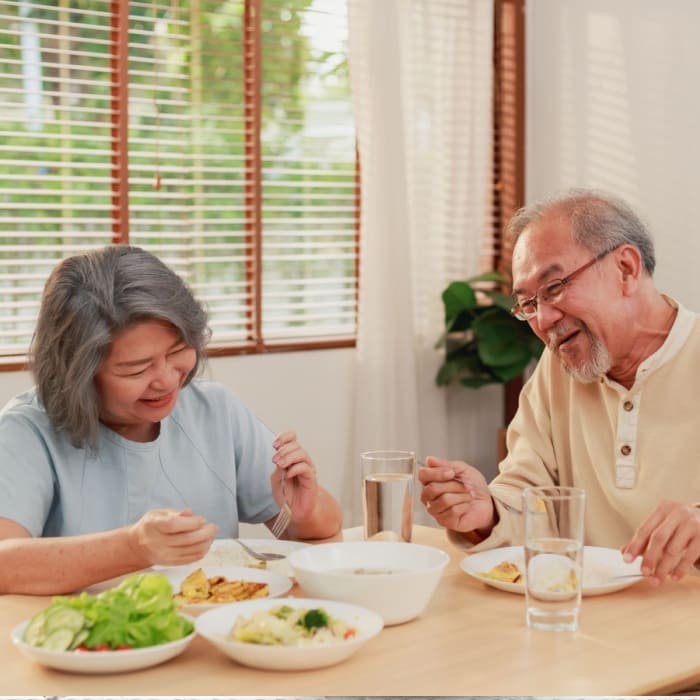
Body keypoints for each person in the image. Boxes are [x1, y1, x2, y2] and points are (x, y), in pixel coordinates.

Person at [0, 245, 342, 595]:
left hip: (211, 634)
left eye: (177, 352)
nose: (165, 379)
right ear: (78, 373)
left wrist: (302, 512)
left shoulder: (214, 410)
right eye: (136, 367)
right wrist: (132, 548)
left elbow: (320, 527)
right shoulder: (26, 432)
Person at [419, 188, 700, 585]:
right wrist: (487, 515)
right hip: (581, 619)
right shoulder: (557, 371)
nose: (544, 319)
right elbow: (529, 496)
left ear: (625, 268)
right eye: (528, 303)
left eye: (554, 288)